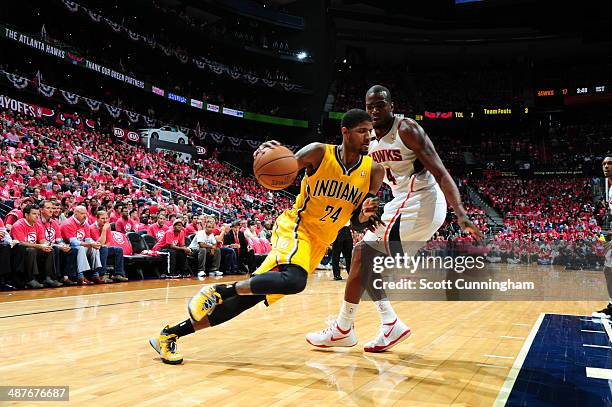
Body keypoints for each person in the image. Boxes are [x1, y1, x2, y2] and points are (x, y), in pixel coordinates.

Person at [149, 108, 385, 364]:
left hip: (320, 242)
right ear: (345, 132)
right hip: (297, 228)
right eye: (362, 131)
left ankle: (169, 334)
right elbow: (284, 165)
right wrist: (267, 154)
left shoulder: (374, 171)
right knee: (295, 281)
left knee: (248, 299)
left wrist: (366, 215)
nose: (368, 137)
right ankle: (219, 290)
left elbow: (356, 223)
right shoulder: (319, 152)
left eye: (370, 132)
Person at [307, 86, 483, 352]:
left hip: (422, 201)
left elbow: (441, 172)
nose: (375, 110)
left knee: (363, 256)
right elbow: (368, 184)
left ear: (391, 105)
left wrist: (460, 212)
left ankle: (345, 329)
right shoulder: (369, 141)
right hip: (399, 203)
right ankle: (388, 324)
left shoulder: (406, 130)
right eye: (370, 106)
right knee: (363, 259)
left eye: (380, 105)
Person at [10, 204, 62, 288]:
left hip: (33, 249)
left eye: (38, 214)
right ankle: (30, 279)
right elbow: (21, 243)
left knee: (50, 249)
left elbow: (42, 240)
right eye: (34, 214)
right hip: (19, 252)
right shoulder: (18, 225)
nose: (37, 216)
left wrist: (46, 245)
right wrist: (39, 246)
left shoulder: (38, 224)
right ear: (26, 215)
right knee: (31, 250)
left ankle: (47, 277)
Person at [60, 205, 107, 285]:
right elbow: (73, 242)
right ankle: (80, 276)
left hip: (81, 245)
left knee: (95, 248)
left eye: (85, 213)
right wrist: (90, 244)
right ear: (75, 214)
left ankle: (96, 275)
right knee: (81, 248)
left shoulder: (85, 224)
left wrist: (94, 243)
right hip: (68, 246)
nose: (85, 215)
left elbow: (88, 239)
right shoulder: (68, 223)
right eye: (82, 213)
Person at [38, 200, 76, 286]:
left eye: (52, 208)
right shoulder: (37, 222)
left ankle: (66, 277)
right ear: (41, 210)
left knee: (72, 250)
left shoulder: (54, 222)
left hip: (54, 245)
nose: (51, 210)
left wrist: (63, 245)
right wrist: (58, 246)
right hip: (41, 247)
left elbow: (59, 239)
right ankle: (52, 277)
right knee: (55, 249)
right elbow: (41, 241)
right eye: (48, 208)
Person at [593, 155, 612, 318]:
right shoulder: (610, 189)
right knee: (608, 269)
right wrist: (604, 238)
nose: (606, 166)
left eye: (610, 163)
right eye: (604, 164)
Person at [90, 210, 129, 282]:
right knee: (104, 248)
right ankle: (102, 275)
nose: (105, 220)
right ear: (97, 219)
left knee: (118, 250)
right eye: (102, 218)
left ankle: (118, 274)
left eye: (106, 218)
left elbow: (108, 242)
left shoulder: (107, 227)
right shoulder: (92, 227)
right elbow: (99, 244)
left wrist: (105, 246)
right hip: (93, 249)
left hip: (104, 248)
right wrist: (104, 230)